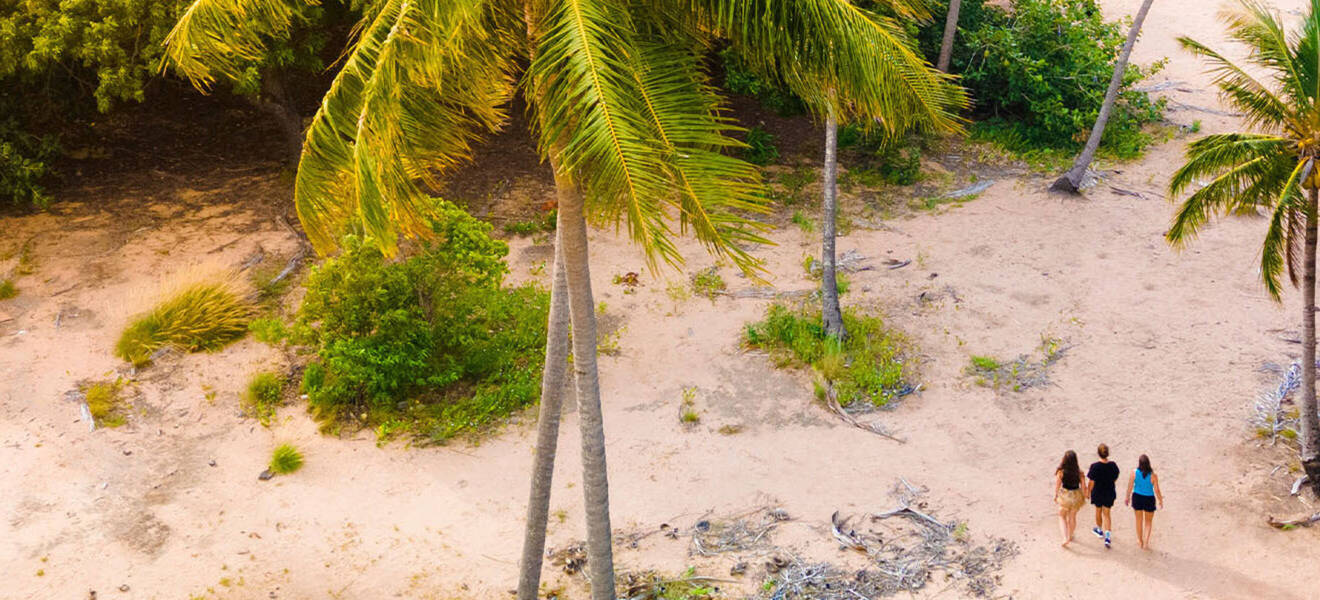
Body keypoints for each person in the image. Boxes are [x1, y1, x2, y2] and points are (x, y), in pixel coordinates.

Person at [1124, 454, 1164, 549]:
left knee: (1138, 520)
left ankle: (1140, 541)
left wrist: (1127, 497)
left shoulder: (1134, 473)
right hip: (1149, 499)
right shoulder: (1153, 476)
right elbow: (1157, 490)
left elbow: (1130, 486)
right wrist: (1160, 500)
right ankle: (1146, 543)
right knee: (1148, 522)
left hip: (1137, 497)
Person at [1085, 443, 1120, 549]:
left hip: (1098, 492)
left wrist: (1088, 492)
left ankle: (1099, 530)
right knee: (1107, 514)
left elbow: (1091, 482)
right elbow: (1115, 477)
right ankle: (1108, 537)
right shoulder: (1113, 465)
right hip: (1109, 492)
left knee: (1098, 511)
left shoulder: (1095, 466)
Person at [1053, 450, 1085, 547]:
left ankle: (1064, 537)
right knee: (1072, 517)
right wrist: (1085, 495)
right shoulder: (1080, 473)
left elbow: (1057, 486)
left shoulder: (1061, 472)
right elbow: (1083, 487)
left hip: (1065, 496)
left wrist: (1055, 496)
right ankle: (1070, 536)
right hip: (1076, 496)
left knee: (1062, 516)